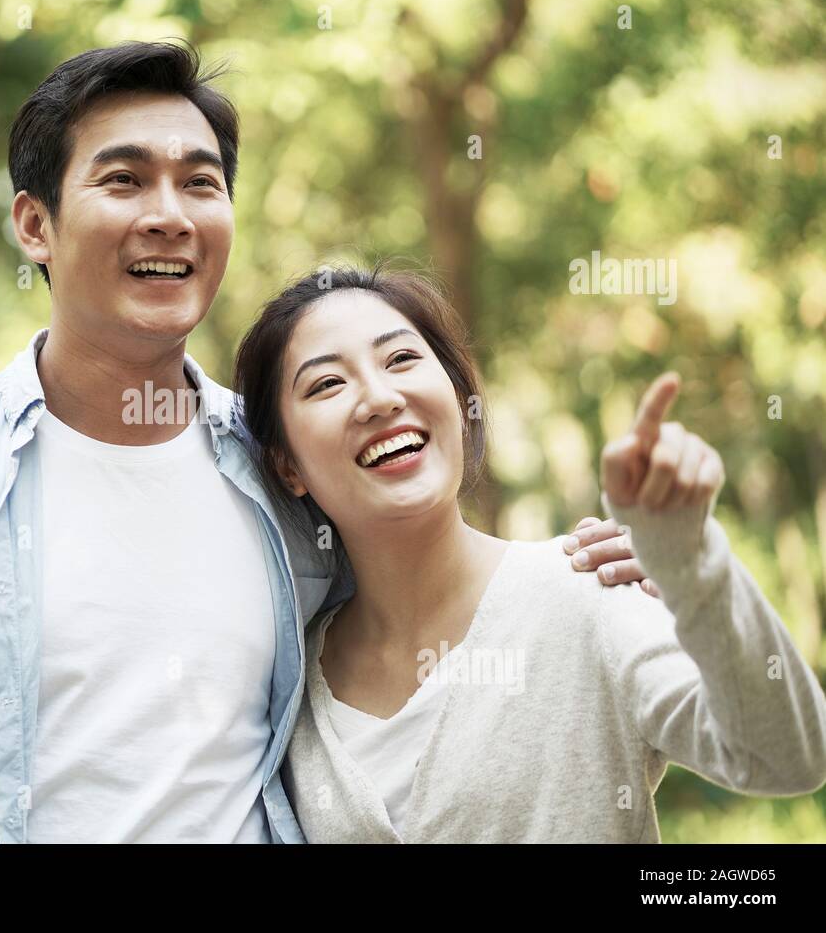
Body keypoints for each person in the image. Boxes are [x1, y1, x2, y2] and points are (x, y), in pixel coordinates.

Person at [0, 43, 644, 843]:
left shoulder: (287, 462)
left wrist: (567, 577)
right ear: (34, 226)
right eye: (124, 181)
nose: (169, 216)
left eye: (200, 183)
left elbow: (421, 590)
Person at [232, 263, 826, 842]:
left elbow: (787, 758)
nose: (380, 398)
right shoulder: (290, 686)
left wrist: (694, 565)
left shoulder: (588, 591)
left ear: (460, 401)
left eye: (401, 359)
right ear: (288, 466)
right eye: (328, 383)